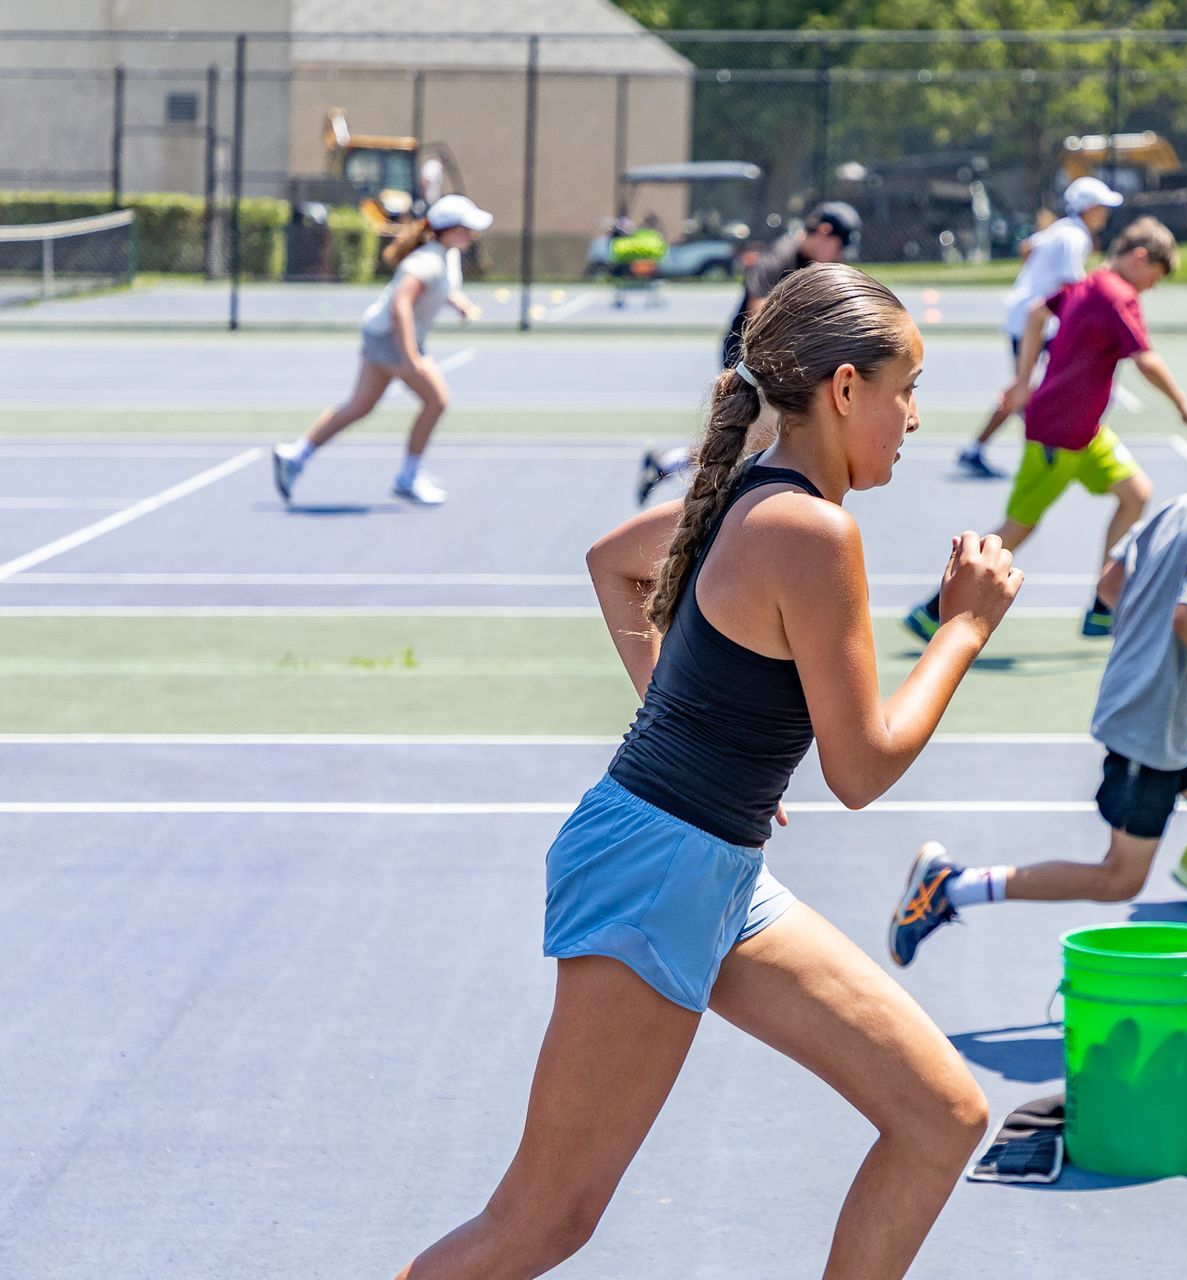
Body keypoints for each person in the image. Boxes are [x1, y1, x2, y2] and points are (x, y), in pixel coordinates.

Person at [398, 264, 1023, 1280]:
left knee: (941, 1113)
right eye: (908, 387)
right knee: (541, 1220)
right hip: (656, 872)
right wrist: (963, 625)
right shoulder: (810, 528)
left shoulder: (754, 495)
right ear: (847, 388)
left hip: (715, 870)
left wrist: (691, 723)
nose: (916, 415)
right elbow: (860, 768)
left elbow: (615, 561)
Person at [887, 403, 1187, 1035]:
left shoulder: (1183, 505)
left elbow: (1112, 584)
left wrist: (1148, 651)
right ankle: (951, 887)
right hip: (1150, 724)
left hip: (1169, 715)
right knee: (1119, 879)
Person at [903, 216, 1187, 643]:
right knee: (1017, 528)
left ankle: (1103, 604)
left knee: (1136, 494)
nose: (1153, 286)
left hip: (1086, 432)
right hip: (1057, 434)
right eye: (1155, 275)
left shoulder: (1089, 284)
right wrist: (1182, 402)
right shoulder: (1119, 297)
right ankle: (935, 607)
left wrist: (1024, 380)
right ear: (1139, 259)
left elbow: (1036, 312)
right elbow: (1145, 359)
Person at [272, 195, 491, 507]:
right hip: (393, 338)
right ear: (450, 230)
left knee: (360, 405)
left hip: (381, 335)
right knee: (437, 400)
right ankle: (408, 477)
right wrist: (411, 356)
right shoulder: (425, 262)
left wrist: (459, 304)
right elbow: (401, 306)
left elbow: (442, 289)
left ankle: (295, 455)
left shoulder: (446, 256)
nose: (473, 234)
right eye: (468, 228)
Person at [638, 203, 863, 505]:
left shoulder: (813, 265)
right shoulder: (780, 258)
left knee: (753, 444)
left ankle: (669, 464)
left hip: (777, 367)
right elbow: (758, 317)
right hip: (750, 364)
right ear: (823, 233)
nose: (841, 255)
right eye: (839, 246)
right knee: (756, 448)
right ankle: (709, 508)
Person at [954, 176, 1124, 480]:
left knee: (1029, 388)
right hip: (1034, 322)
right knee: (1028, 389)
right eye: (1102, 206)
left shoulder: (1061, 230)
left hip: (1029, 318)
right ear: (1088, 208)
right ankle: (1026, 447)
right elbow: (1073, 285)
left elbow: (1027, 247)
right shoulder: (1075, 237)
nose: (1106, 213)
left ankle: (983, 448)